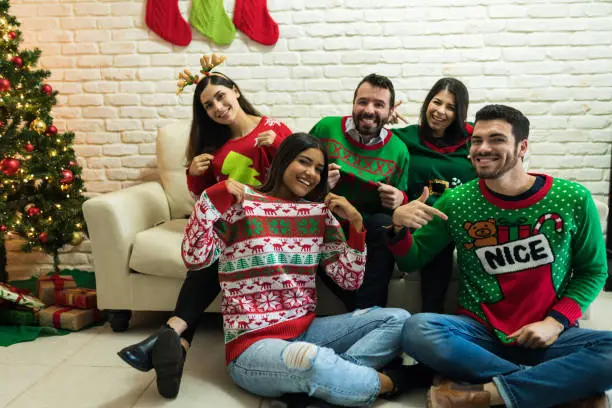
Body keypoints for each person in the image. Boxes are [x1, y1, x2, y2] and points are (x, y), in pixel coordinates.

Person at [388, 104, 612, 407]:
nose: (482, 148)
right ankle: (552, 389)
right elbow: (412, 260)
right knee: (417, 329)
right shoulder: (457, 201)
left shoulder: (572, 198)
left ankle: (491, 393)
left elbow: (593, 271)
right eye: (476, 140)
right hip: (478, 337)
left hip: (549, 334)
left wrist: (555, 323)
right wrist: (398, 226)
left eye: (496, 139)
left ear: (522, 147)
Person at [182, 133, 411, 407]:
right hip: (252, 345)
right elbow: (194, 257)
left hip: (307, 330)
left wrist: (357, 223)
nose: (311, 174)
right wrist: (213, 194)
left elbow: (349, 280)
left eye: (318, 169)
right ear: (283, 160)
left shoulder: (318, 215)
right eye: (304, 162)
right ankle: (393, 382)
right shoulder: (240, 204)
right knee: (312, 361)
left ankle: (325, 386)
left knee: (399, 319)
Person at [117, 67, 293, 398]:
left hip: (269, 223)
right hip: (232, 228)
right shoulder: (215, 147)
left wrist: (280, 146)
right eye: (208, 105)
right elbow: (207, 200)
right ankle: (174, 342)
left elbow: (300, 177)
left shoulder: (272, 128)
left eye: (220, 97)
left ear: (236, 91)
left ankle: (168, 335)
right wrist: (195, 175)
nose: (217, 107)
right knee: (212, 253)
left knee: (217, 253)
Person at [309, 73, 410, 310]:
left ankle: (365, 310)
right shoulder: (326, 128)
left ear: (391, 111)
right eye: (363, 102)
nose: (369, 110)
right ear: (353, 102)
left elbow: (403, 203)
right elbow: (296, 171)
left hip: (366, 227)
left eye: (379, 104)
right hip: (325, 217)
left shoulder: (398, 150)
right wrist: (319, 182)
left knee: (384, 223)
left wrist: (399, 198)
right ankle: (366, 313)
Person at [392, 78, 476, 313]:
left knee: (444, 238)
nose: (440, 111)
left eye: (451, 107)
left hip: (453, 222)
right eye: (436, 102)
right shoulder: (405, 138)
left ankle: (437, 320)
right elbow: (371, 142)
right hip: (413, 217)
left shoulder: (473, 143)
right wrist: (382, 121)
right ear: (427, 103)